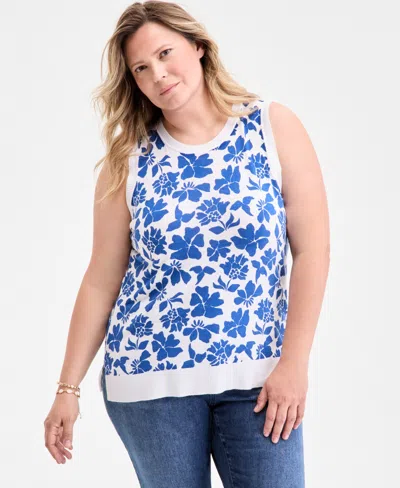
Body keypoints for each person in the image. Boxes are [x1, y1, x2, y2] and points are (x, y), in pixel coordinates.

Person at [43, 1, 330, 486]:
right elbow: (101, 279)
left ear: (198, 47)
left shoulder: (271, 127)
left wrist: (294, 363)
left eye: (164, 53)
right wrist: (67, 389)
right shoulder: (128, 161)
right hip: (149, 383)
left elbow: (312, 251)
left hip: (260, 377)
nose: (158, 74)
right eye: (141, 68)